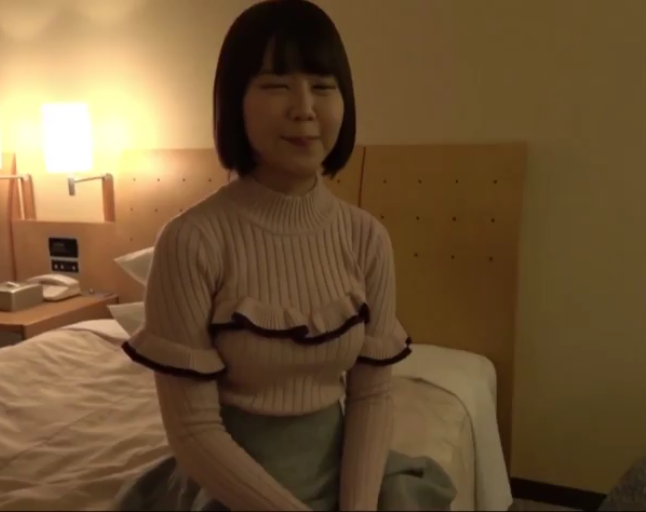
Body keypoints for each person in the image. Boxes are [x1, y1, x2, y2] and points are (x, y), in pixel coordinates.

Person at [114, 0, 456, 510]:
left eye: (322, 85)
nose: (304, 108)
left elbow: (370, 394)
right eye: (276, 85)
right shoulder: (191, 240)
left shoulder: (367, 238)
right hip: (230, 487)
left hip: (345, 473)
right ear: (235, 102)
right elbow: (192, 428)